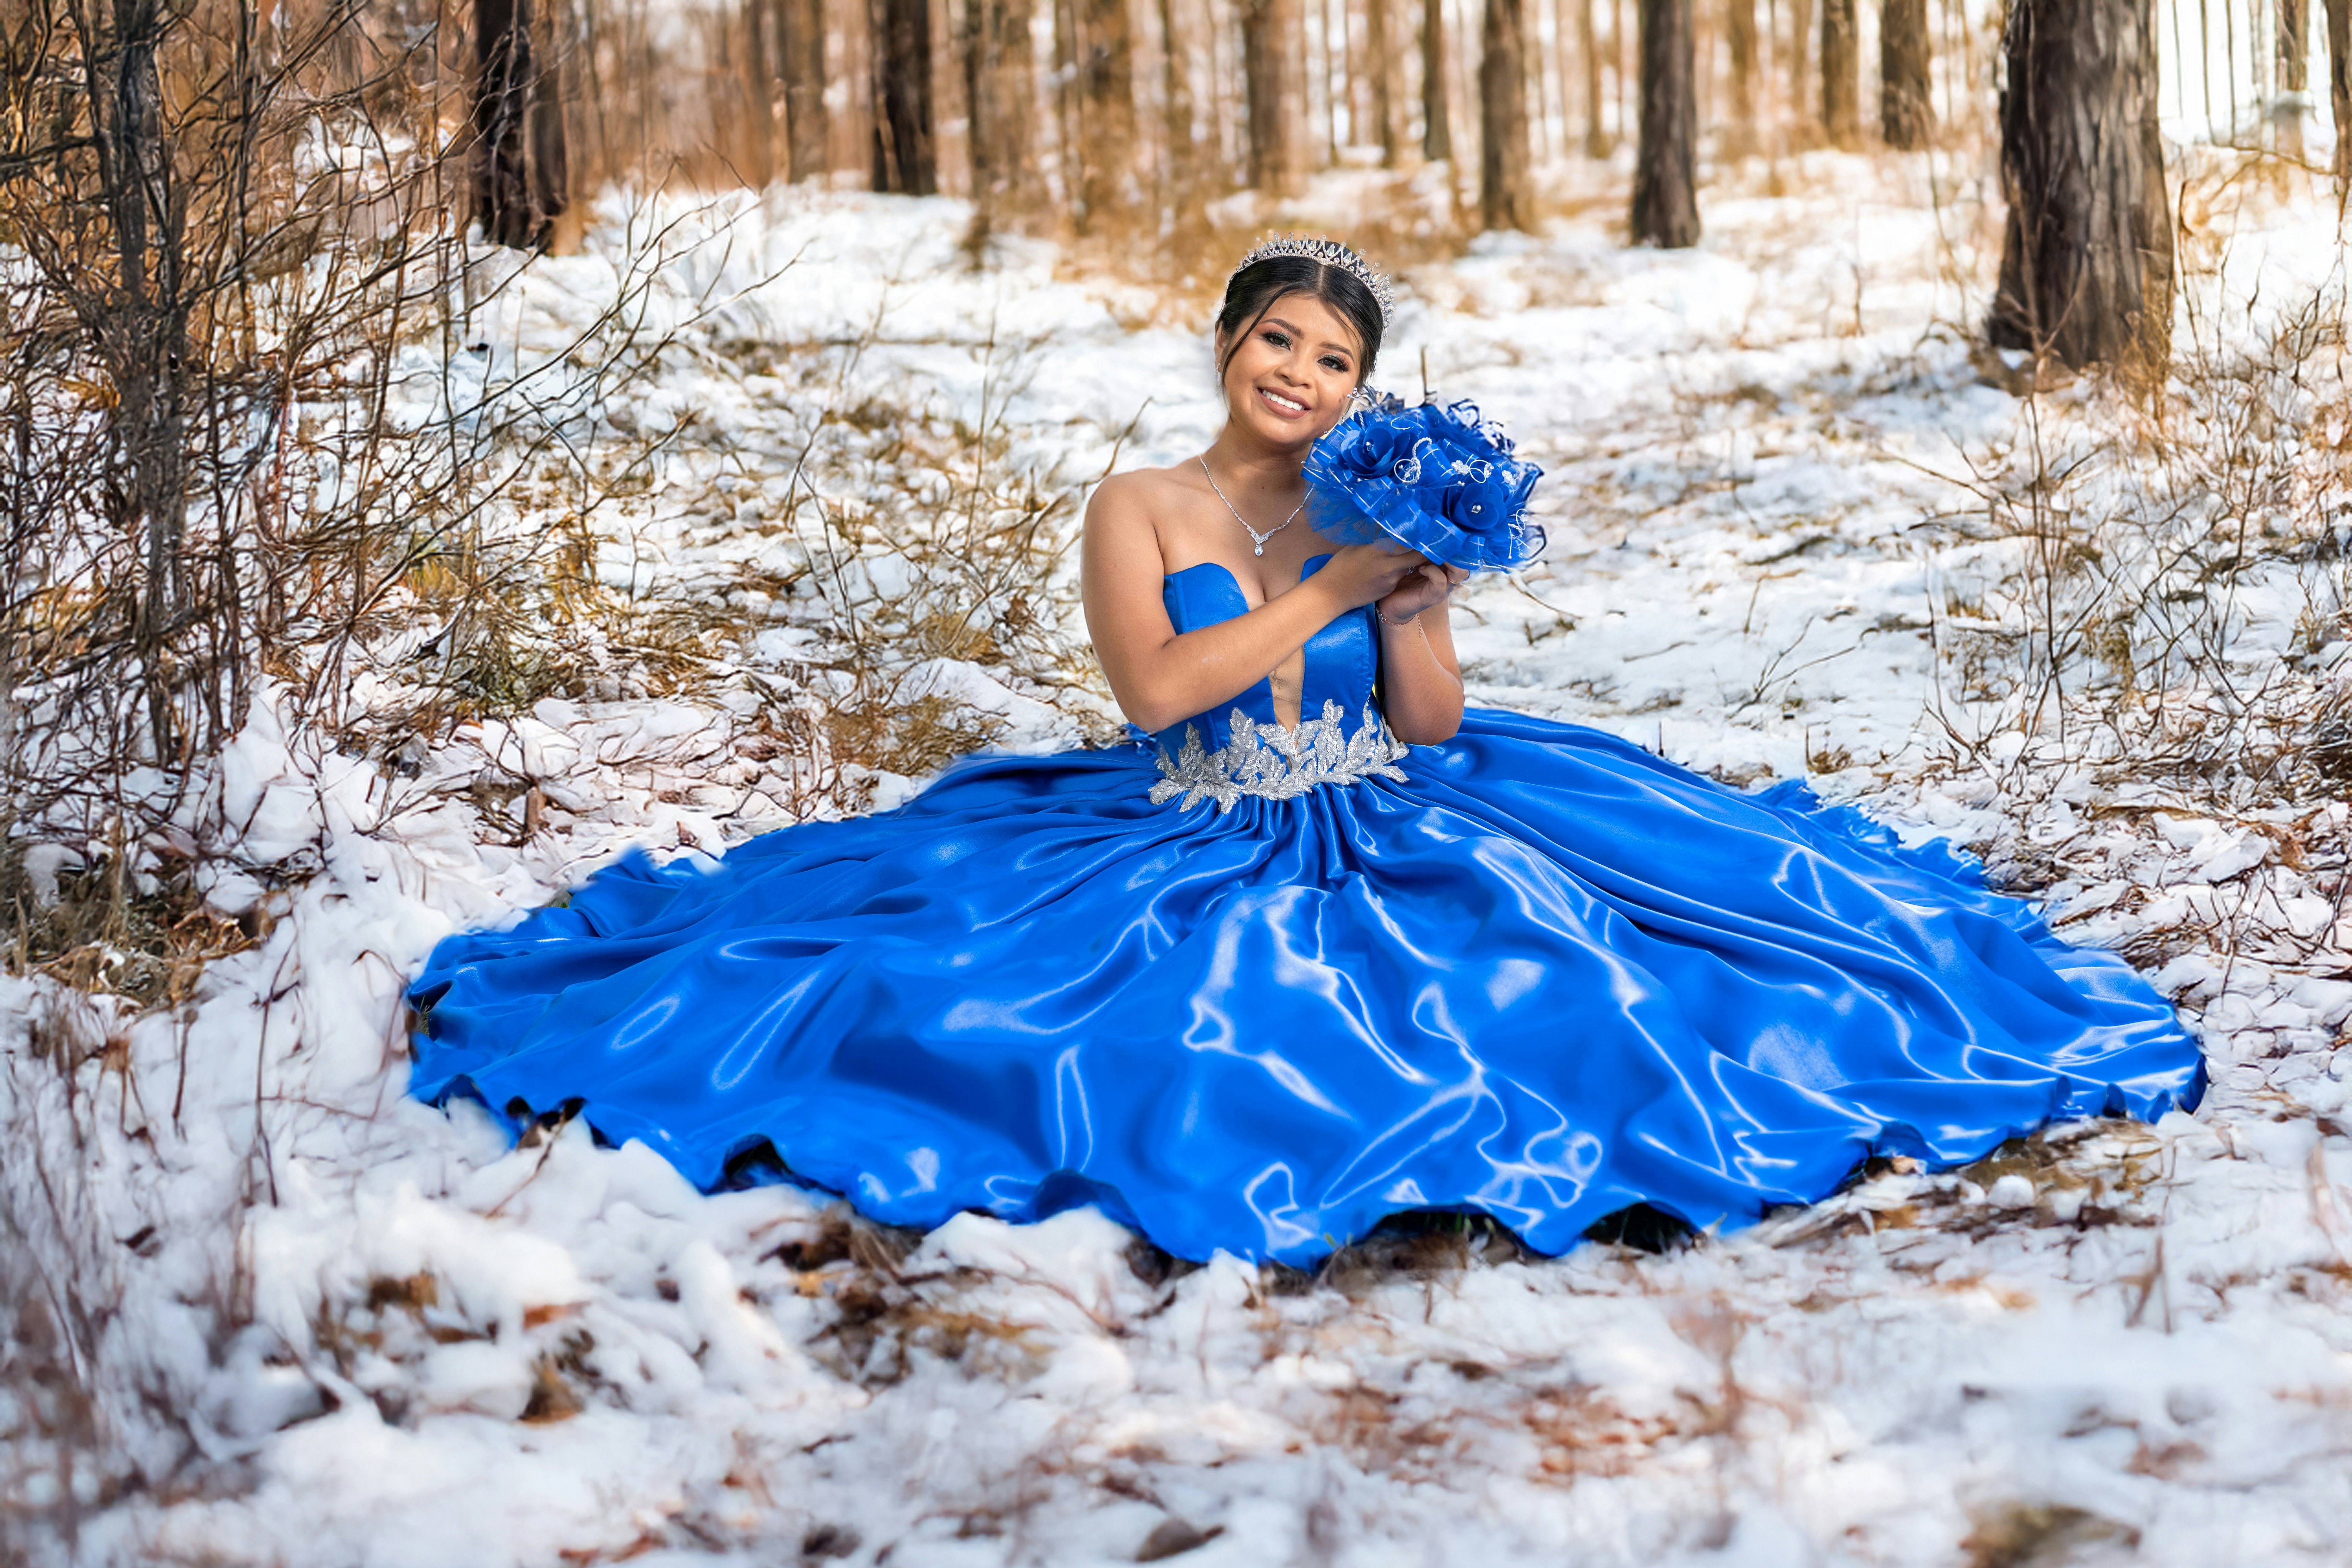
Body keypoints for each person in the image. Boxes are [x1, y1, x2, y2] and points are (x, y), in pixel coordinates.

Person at [408, 237, 2203, 1266]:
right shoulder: (1143, 500)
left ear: (1360, 388)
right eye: (1277, 337)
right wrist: (1331, 578)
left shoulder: (1377, 495)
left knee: (1626, 970)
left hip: (1383, 806)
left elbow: (1428, 726)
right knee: (997, 994)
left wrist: (1412, 598)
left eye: (1332, 358)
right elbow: (1161, 697)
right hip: (1188, 817)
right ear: (1226, 345)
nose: (1298, 373)